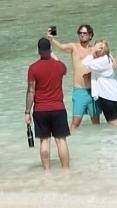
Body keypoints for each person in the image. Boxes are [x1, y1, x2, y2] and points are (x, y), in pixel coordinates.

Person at [25, 37, 70, 171]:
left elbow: (31, 91)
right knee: (61, 141)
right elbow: (65, 71)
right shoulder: (60, 66)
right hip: (58, 108)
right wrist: (55, 58)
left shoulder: (33, 68)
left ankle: (46, 172)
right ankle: (66, 171)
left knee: (44, 141)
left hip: (40, 110)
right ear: (50, 49)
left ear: (38, 51)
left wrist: (27, 112)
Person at [49, 24, 99, 129]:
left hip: (94, 91)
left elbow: (108, 56)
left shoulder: (94, 49)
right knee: (75, 124)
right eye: (80, 33)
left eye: (84, 33)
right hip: (79, 91)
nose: (82, 35)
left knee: (96, 123)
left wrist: (114, 62)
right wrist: (51, 39)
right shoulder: (74, 47)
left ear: (90, 35)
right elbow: (61, 47)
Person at [82, 39, 117, 125]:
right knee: (113, 119)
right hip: (112, 94)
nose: (95, 49)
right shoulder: (109, 57)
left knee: (112, 121)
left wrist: (93, 53)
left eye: (98, 48)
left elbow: (84, 63)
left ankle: (116, 137)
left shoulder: (102, 61)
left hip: (108, 95)